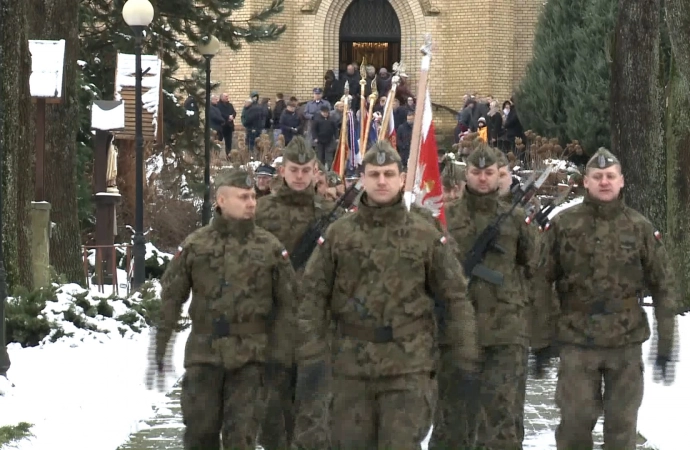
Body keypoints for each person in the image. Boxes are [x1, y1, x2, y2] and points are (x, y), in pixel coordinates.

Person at [296, 141, 479, 450]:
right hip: (350, 368)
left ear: (402, 178)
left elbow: (455, 298)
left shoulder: (425, 233)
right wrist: (311, 355)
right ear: (362, 179)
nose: (382, 181)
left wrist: (463, 357)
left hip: (408, 367)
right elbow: (312, 297)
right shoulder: (340, 234)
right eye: (375, 174)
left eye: (389, 174)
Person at [539, 148, 678, 449]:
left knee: (622, 430)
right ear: (585, 182)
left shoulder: (639, 228)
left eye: (610, 176)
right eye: (598, 176)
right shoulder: (563, 225)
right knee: (574, 427)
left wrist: (666, 345)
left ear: (622, 181)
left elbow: (664, 286)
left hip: (625, 346)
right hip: (578, 343)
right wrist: (542, 337)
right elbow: (539, 280)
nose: (604, 182)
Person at [153, 168, 297, 450]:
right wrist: (161, 346)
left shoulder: (269, 248)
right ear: (221, 200)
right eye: (244, 197)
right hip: (204, 356)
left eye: (253, 196)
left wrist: (281, 355)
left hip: (251, 359)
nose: (252, 202)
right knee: (199, 435)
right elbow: (171, 298)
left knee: (240, 438)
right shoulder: (196, 245)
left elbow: (289, 305)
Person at [435, 145, 540, 450]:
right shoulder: (446, 218)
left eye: (489, 172)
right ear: (466, 174)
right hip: (456, 333)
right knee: (451, 422)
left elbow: (534, 264)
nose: (482, 179)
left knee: (502, 421)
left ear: (499, 176)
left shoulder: (517, 219)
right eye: (476, 172)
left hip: (504, 334)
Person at [254, 136, 337, 449]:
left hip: (318, 328)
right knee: (273, 418)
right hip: (274, 327)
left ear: (315, 171)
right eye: (294, 169)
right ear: (282, 171)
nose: (300, 176)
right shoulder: (261, 212)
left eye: (306, 169)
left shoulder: (330, 215)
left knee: (316, 419)